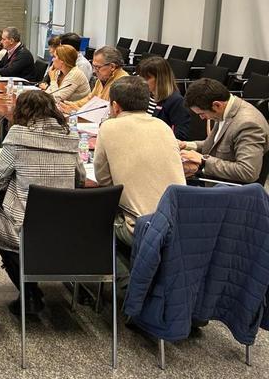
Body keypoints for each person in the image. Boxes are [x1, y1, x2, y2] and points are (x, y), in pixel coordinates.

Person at [0, 90, 85, 315]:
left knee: (0, 231)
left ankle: (29, 291)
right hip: (66, 226)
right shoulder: (71, 137)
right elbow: (79, 178)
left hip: (22, 227)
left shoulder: (18, 135)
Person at [92, 76, 185, 253]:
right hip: (180, 227)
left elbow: (104, 182)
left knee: (89, 216)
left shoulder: (109, 127)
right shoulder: (163, 126)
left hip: (139, 227)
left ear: (115, 106)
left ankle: (121, 278)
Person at [179, 78, 269, 185]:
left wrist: (203, 160)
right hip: (215, 180)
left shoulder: (248, 124)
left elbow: (248, 172)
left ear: (217, 105)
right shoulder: (225, 110)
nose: (202, 118)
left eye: (202, 113)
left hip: (231, 191)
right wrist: (186, 145)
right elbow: (217, 145)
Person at [61, 46, 129, 112]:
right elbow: (90, 99)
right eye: (93, 66)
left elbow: (110, 114)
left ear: (112, 67)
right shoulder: (103, 78)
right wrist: (72, 105)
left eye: (97, 67)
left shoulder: (123, 84)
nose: (94, 71)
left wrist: (79, 111)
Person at [137, 56, 190, 140]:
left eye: (147, 78)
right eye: (141, 77)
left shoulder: (176, 101)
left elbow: (180, 135)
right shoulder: (144, 95)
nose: (142, 82)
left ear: (160, 79)